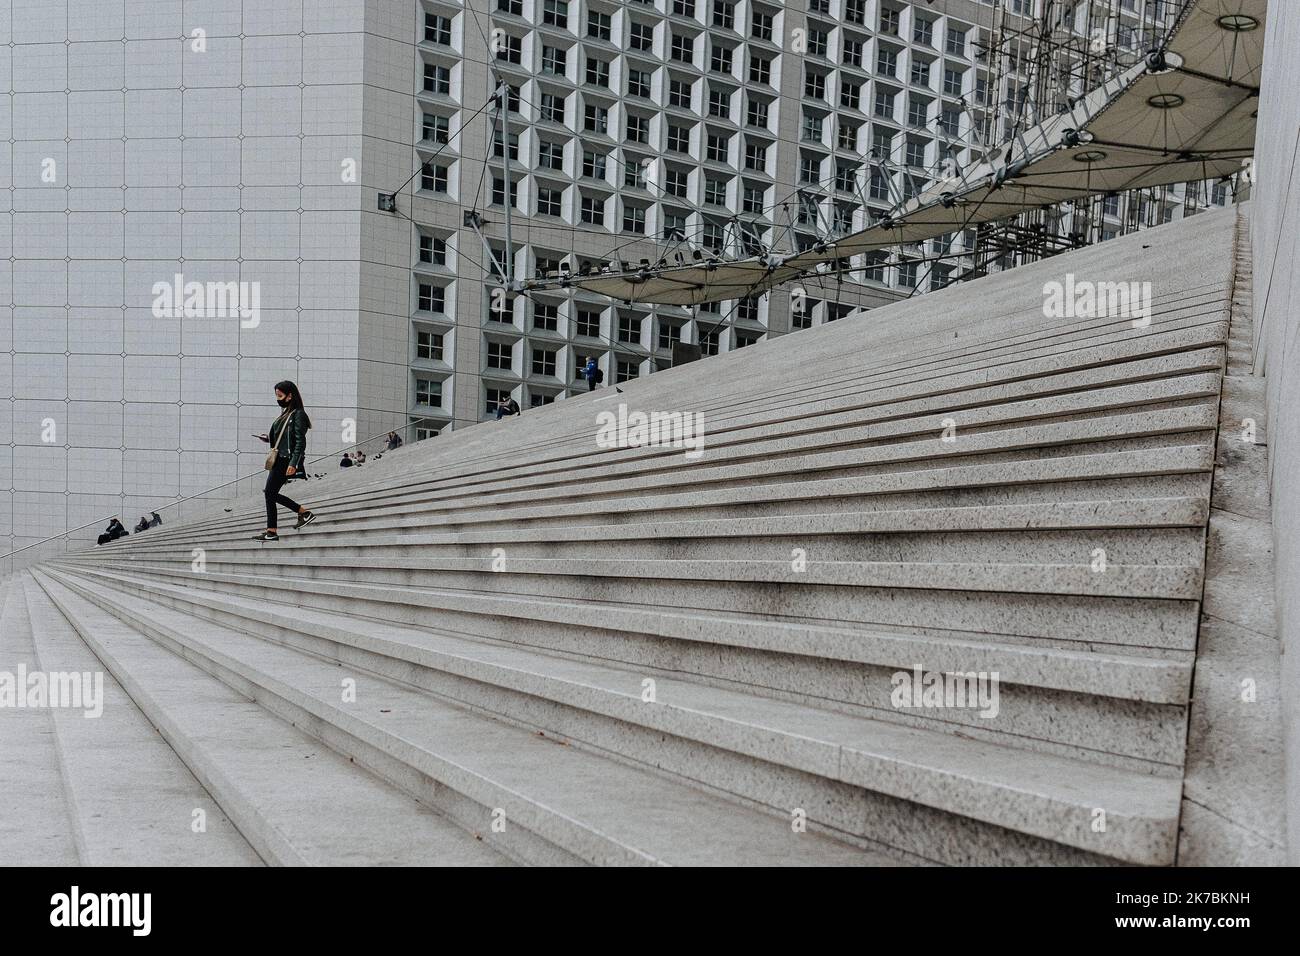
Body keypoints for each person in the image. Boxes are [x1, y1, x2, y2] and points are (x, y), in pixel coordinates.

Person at [253, 380, 316, 542]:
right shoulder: (286, 413)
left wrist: (293, 463)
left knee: (269, 493)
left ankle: (275, 530)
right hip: (279, 459)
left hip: (286, 460)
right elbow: (284, 438)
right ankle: (299, 515)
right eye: (277, 396)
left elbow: (300, 442)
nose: (278, 399)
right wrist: (268, 439)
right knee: (270, 494)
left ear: (290, 396)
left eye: (280, 395)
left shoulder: (298, 414)